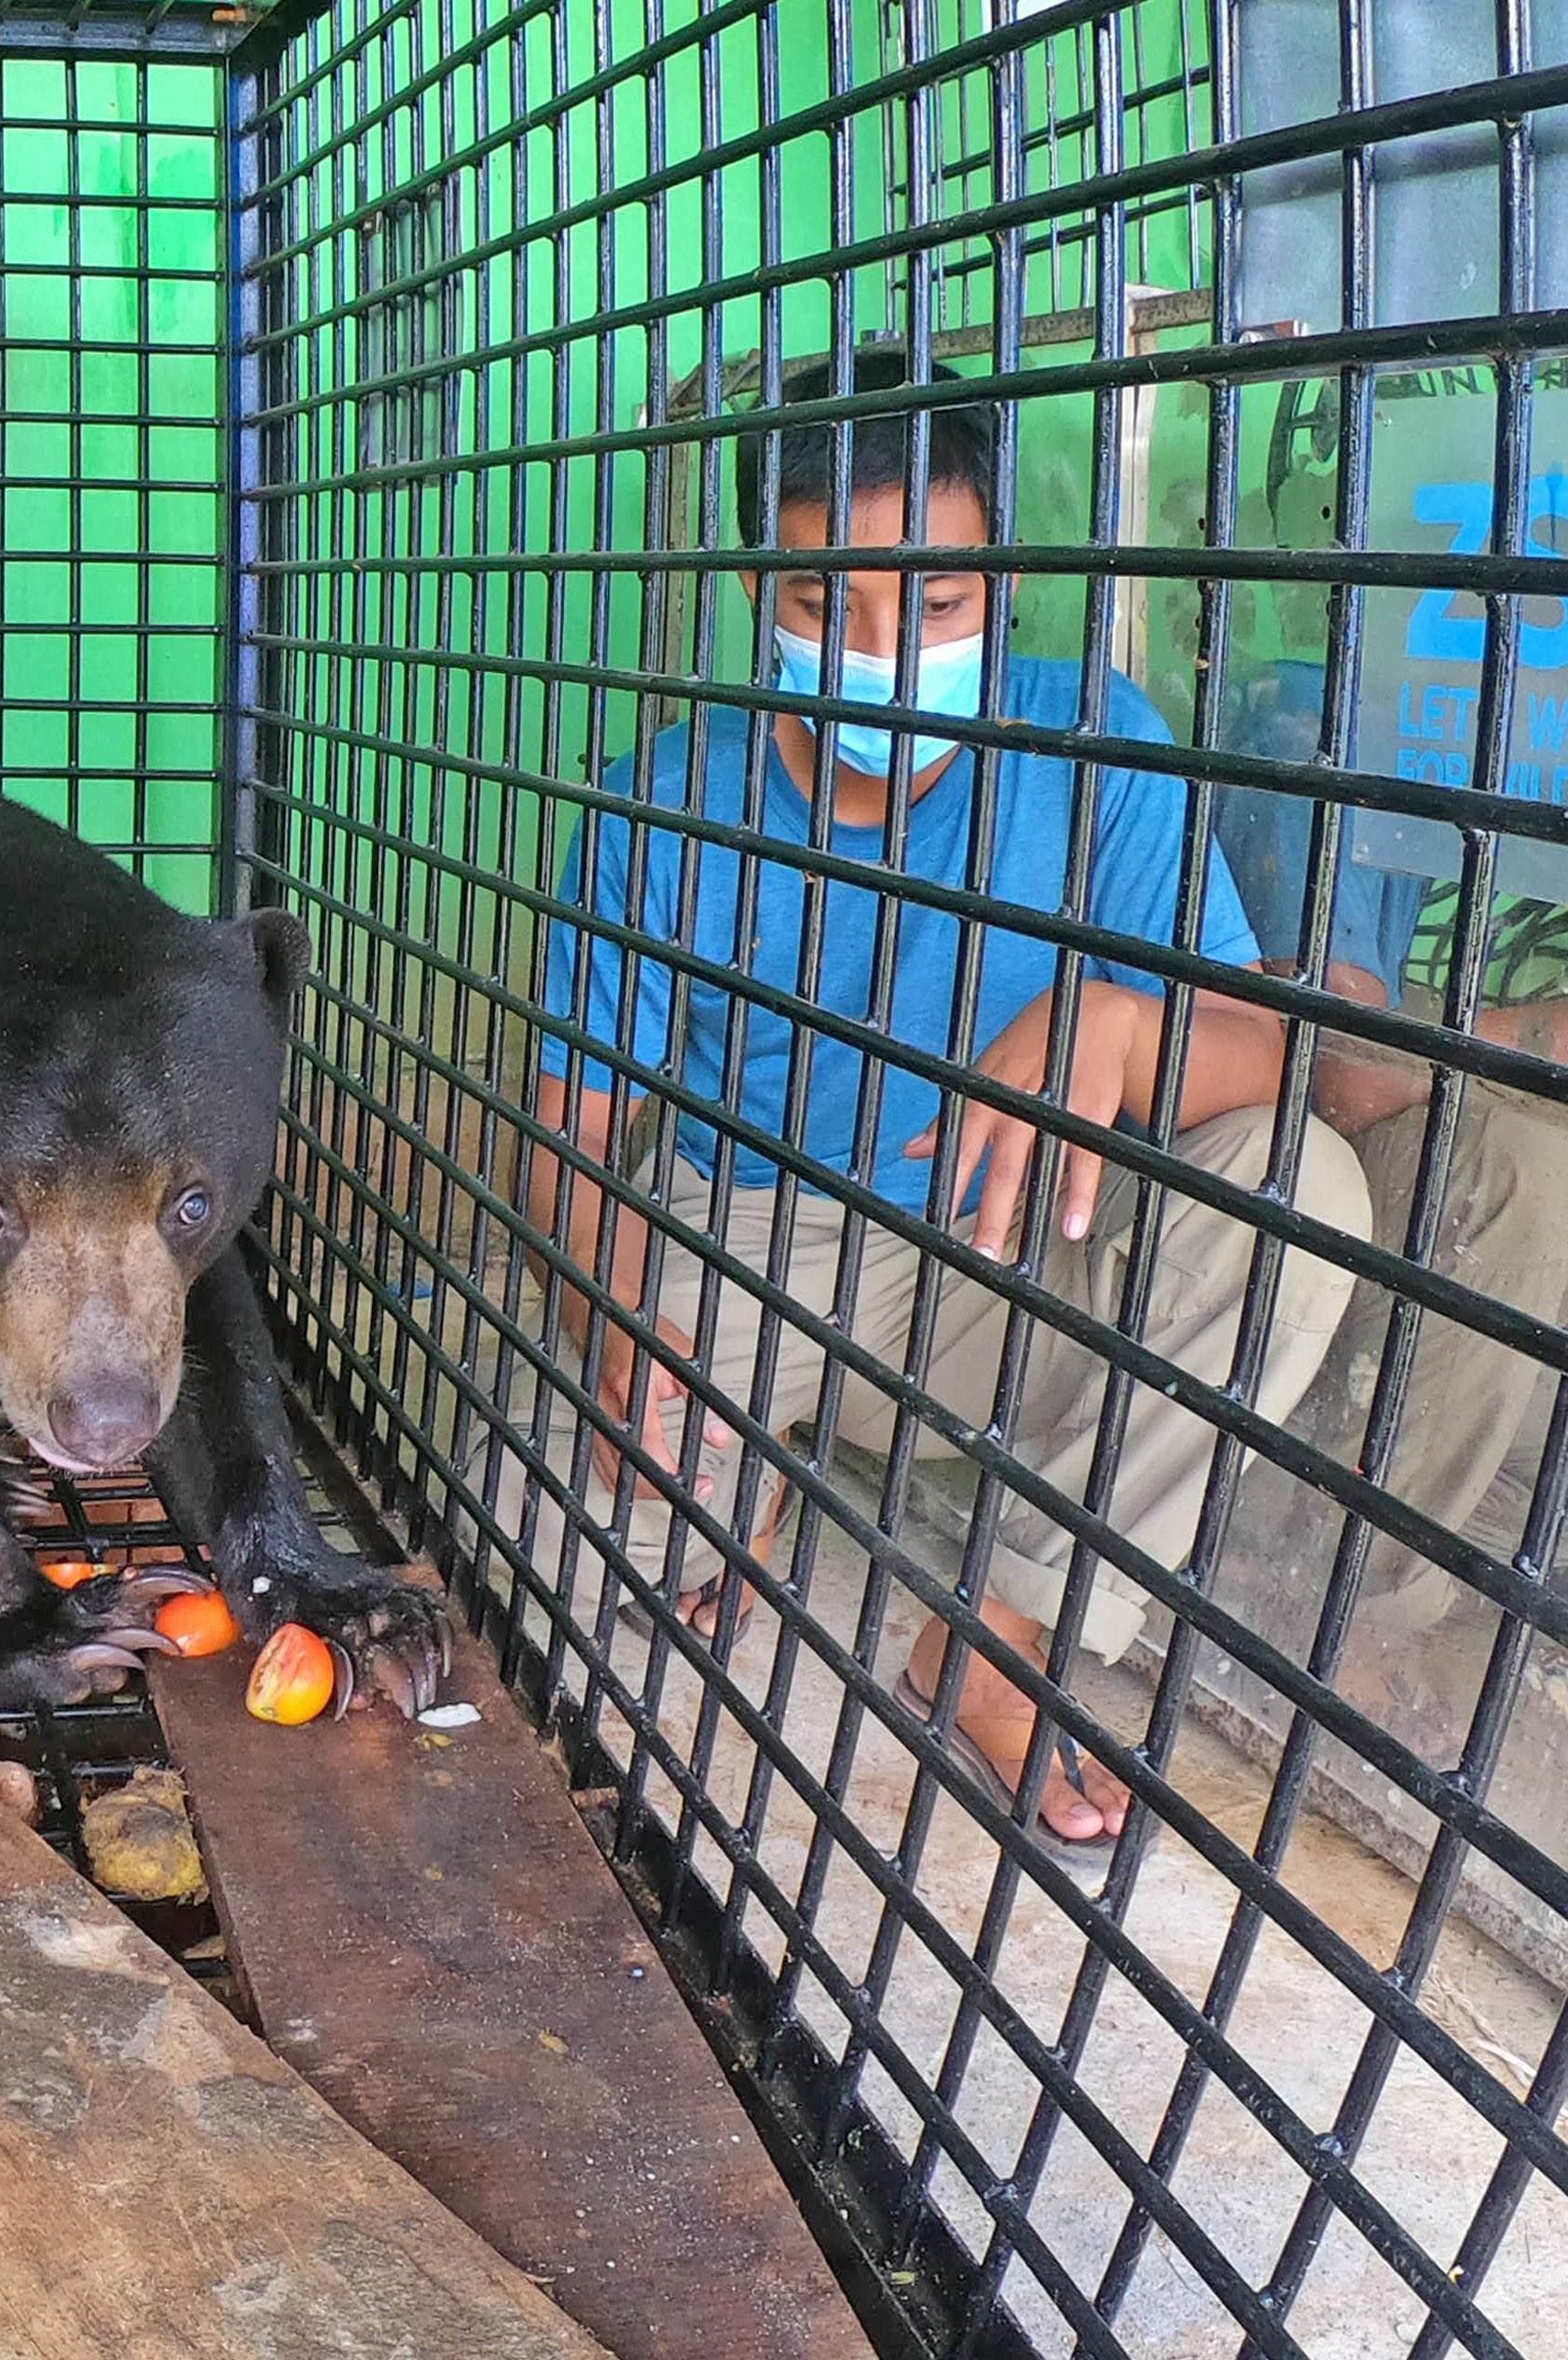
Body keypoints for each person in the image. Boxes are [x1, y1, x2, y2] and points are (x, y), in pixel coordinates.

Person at [515, 349, 1369, 1860]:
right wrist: (608, 1316)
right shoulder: (664, 799)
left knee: (1299, 1191)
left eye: (938, 608)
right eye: (819, 606)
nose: (881, 650)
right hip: (763, 1230)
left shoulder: (1098, 744)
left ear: (1006, 597)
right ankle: (763, 1466)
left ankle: (995, 1632)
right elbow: (568, 1127)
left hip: (1007, 1240)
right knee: (632, 1543)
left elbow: (1282, 1055)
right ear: (754, 589)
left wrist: (1114, 1017)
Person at [1208, 717, 1568, 1760]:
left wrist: (1447, 1047)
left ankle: (1454, 1573)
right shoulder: (1357, 717)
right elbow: (1332, 1060)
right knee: (1521, 1171)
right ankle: (1326, 1601)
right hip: (1337, 1167)